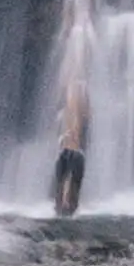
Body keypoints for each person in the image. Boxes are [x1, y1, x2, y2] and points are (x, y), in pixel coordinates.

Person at [52, 78, 88, 217]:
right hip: (71, 151)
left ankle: (64, 206)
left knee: (66, 180)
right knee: (68, 181)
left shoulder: (66, 114)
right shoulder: (68, 114)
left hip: (70, 151)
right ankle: (66, 206)